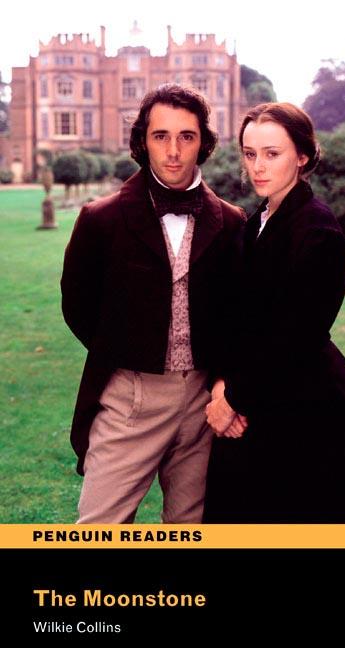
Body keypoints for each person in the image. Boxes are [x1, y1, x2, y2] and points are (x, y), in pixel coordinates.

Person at [61, 84, 245, 523]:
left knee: (192, 527)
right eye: (161, 136)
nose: (174, 151)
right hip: (131, 395)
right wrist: (128, 352)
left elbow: (238, 314)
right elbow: (78, 305)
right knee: (99, 528)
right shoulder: (100, 219)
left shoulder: (232, 222)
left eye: (187, 136)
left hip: (202, 399)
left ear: (203, 143)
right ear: (143, 141)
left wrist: (222, 380)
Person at [203, 102, 345, 523]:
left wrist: (233, 400)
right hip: (250, 405)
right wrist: (220, 384)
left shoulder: (319, 232)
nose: (258, 166)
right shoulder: (255, 223)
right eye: (250, 153)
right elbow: (232, 319)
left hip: (304, 417)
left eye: (272, 153)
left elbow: (297, 336)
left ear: (301, 156)